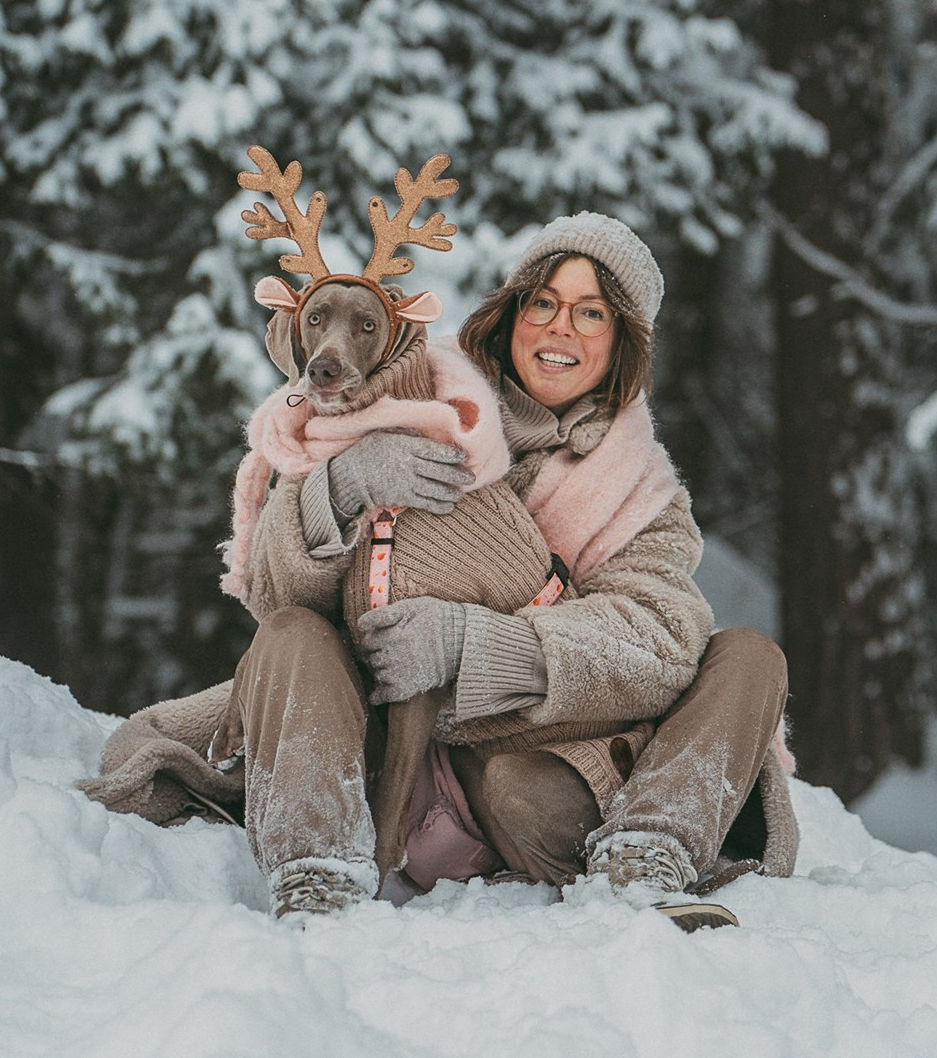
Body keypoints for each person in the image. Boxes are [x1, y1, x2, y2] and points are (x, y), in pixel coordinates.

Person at [227, 213, 797, 924]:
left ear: (622, 344)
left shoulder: (645, 493)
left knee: (748, 658)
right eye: (545, 303)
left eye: (592, 313)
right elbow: (278, 597)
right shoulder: (406, 391)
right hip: (383, 749)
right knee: (286, 634)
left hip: (541, 780)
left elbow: (657, 643)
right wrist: (339, 486)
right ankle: (317, 875)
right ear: (512, 314)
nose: (562, 328)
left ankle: (644, 855)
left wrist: (476, 645)